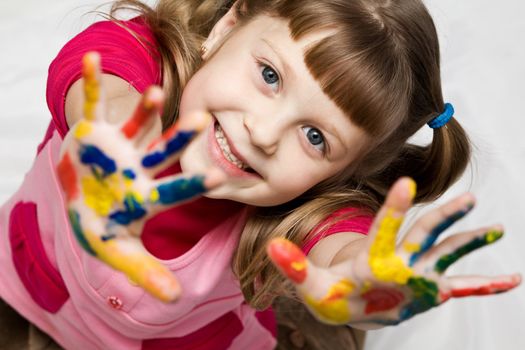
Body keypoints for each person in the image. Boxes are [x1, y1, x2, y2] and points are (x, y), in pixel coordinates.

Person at [0, 0, 520, 349]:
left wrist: (361, 284)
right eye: (269, 75)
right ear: (227, 27)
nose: (264, 132)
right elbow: (100, 76)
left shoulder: (313, 208)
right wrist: (111, 129)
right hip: (28, 286)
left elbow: (343, 253)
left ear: (344, 172)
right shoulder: (137, 58)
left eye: (316, 137)